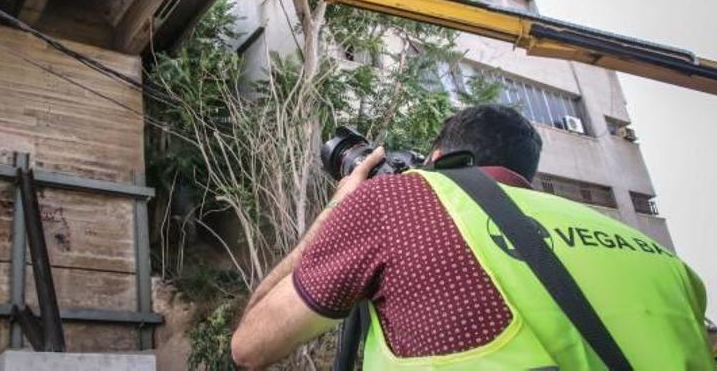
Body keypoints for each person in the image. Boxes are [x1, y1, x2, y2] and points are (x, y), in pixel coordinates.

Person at [231, 104, 712, 369]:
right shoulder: (662, 261)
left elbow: (250, 347)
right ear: (528, 175)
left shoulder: (403, 201)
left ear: (437, 157)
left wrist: (340, 207)